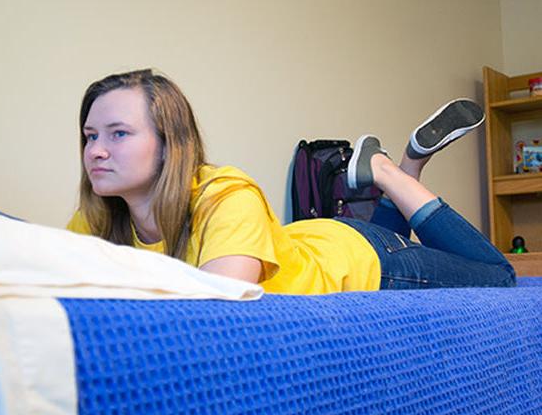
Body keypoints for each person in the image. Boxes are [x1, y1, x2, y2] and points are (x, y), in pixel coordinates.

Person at [67, 69, 515, 294]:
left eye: (118, 134)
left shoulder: (224, 194)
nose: (96, 151)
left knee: (500, 276)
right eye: (90, 137)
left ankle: (387, 171)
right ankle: (405, 165)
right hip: (319, 237)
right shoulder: (94, 219)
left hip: (359, 260)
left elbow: (219, 308)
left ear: (170, 143)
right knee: (395, 236)